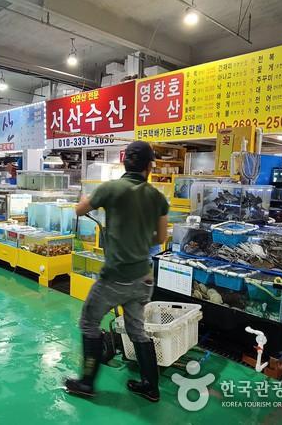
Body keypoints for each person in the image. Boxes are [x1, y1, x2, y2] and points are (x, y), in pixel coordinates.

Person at [64, 141, 169, 402]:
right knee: (138, 331)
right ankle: (150, 387)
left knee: (89, 322)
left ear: (125, 162)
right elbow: (162, 236)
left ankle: (87, 383)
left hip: (115, 277)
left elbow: (78, 210)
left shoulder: (110, 189)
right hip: (144, 277)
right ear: (149, 166)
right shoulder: (157, 197)